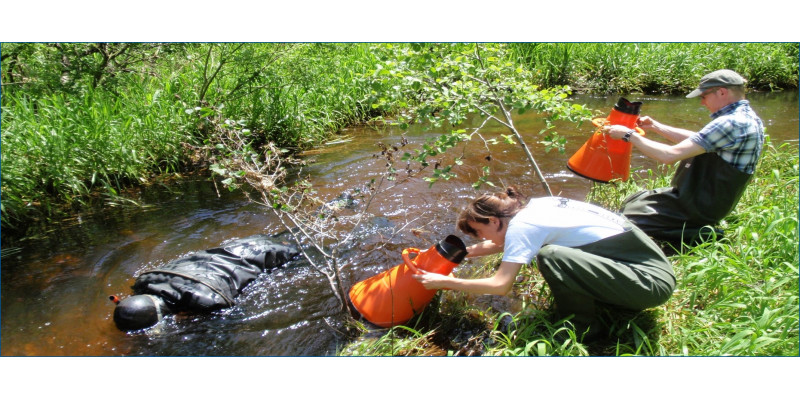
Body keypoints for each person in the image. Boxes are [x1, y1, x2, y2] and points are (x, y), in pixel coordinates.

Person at [412, 187, 675, 341]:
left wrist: (446, 282)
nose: (482, 239)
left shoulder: (523, 227)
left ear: (492, 221)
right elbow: (502, 244)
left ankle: (581, 326)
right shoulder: (535, 209)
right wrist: (454, 255)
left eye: (478, 232)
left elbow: (501, 285)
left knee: (551, 256)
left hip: (649, 285)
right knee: (553, 253)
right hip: (650, 267)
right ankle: (603, 302)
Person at [602, 69, 765, 246]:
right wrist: (656, 126)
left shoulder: (731, 123)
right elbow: (699, 140)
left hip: (699, 206)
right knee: (634, 201)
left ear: (722, 92)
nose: (702, 103)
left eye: (703, 96)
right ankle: (690, 228)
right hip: (707, 198)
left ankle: (697, 233)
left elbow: (669, 156)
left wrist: (629, 135)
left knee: (624, 221)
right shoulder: (745, 117)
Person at [112, 234, 298, 331]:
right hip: (246, 244)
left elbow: (230, 315)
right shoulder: (144, 280)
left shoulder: (208, 301)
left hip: (275, 255)